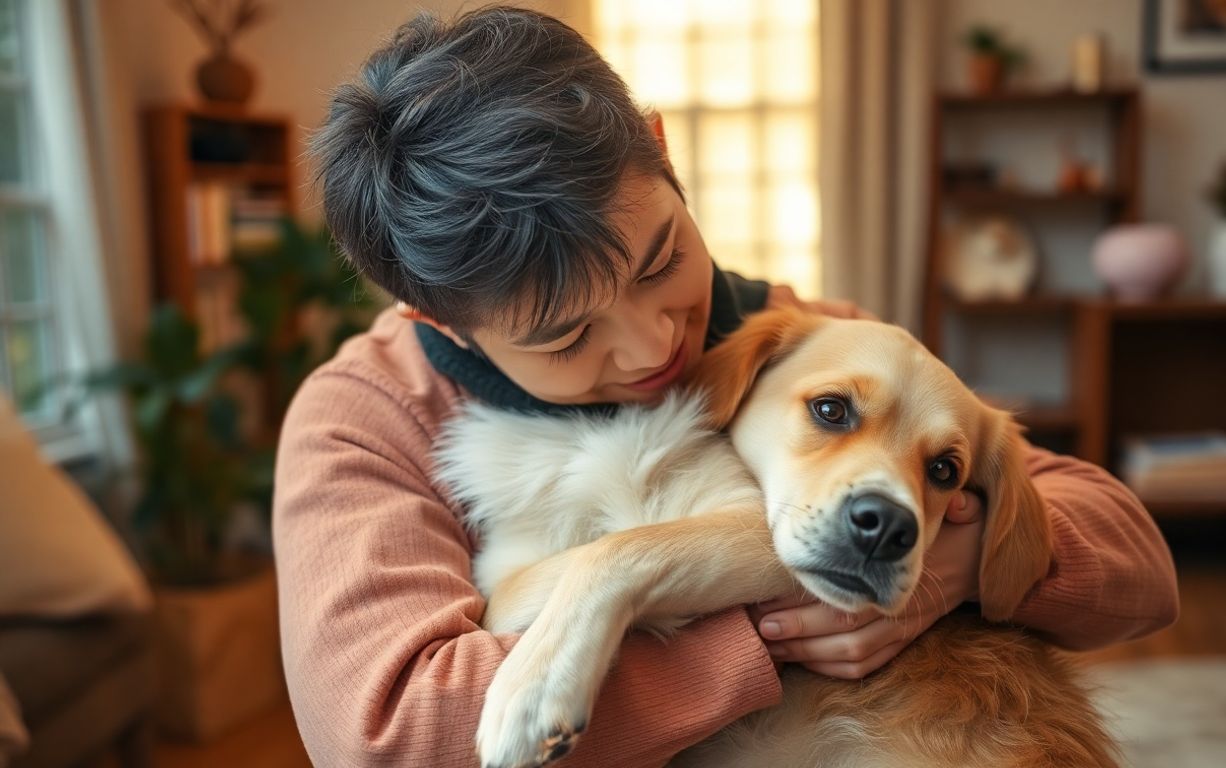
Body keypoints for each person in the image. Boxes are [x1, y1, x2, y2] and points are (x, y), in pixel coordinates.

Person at [276, 7, 1178, 767]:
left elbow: (1132, 557)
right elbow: (388, 734)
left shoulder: (804, 341)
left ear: (664, 154)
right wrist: (766, 638)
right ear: (437, 319)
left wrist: (940, 572)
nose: (653, 344)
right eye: (565, 334)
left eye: (662, 259)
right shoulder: (363, 418)